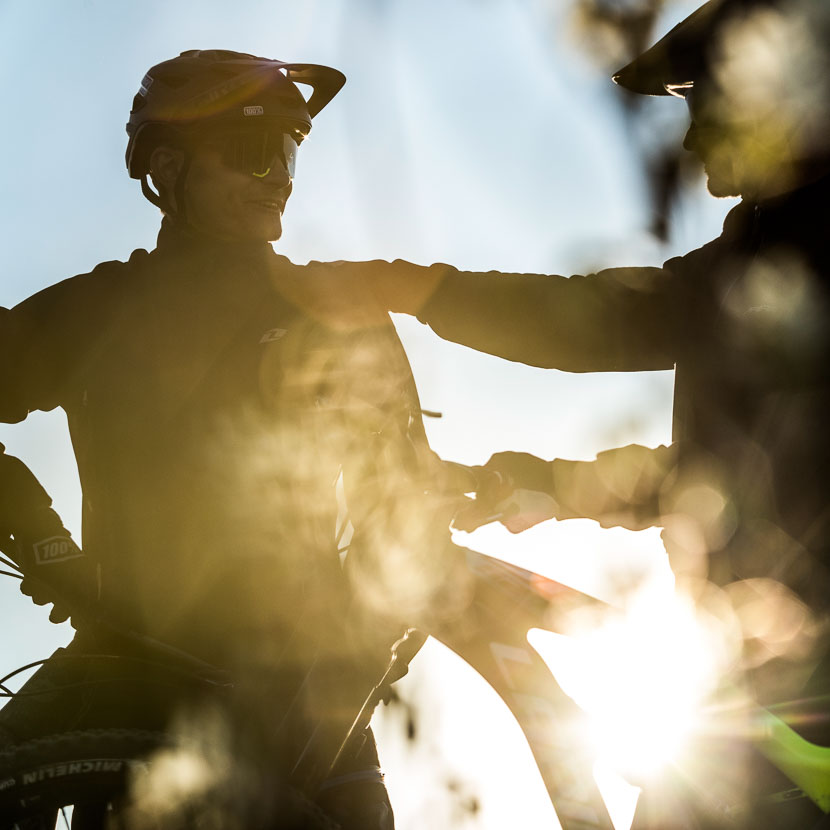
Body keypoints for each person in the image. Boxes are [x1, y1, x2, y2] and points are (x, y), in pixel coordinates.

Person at [291, 0, 830, 823]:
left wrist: (410, 286)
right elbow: (715, 483)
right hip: (765, 699)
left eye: (700, 106)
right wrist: (522, 485)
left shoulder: (793, 243)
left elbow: (609, 320)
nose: (686, 144)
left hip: (796, 705)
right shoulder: (760, 245)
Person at [0, 49, 460, 829]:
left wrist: (349, 661)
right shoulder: (96, 311)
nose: (279, 175)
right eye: (255, 151)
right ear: (168, 168)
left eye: (290, 152)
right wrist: (40, 537)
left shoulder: (337, 313)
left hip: (305, 685)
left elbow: (412, 509)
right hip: (121, 664)